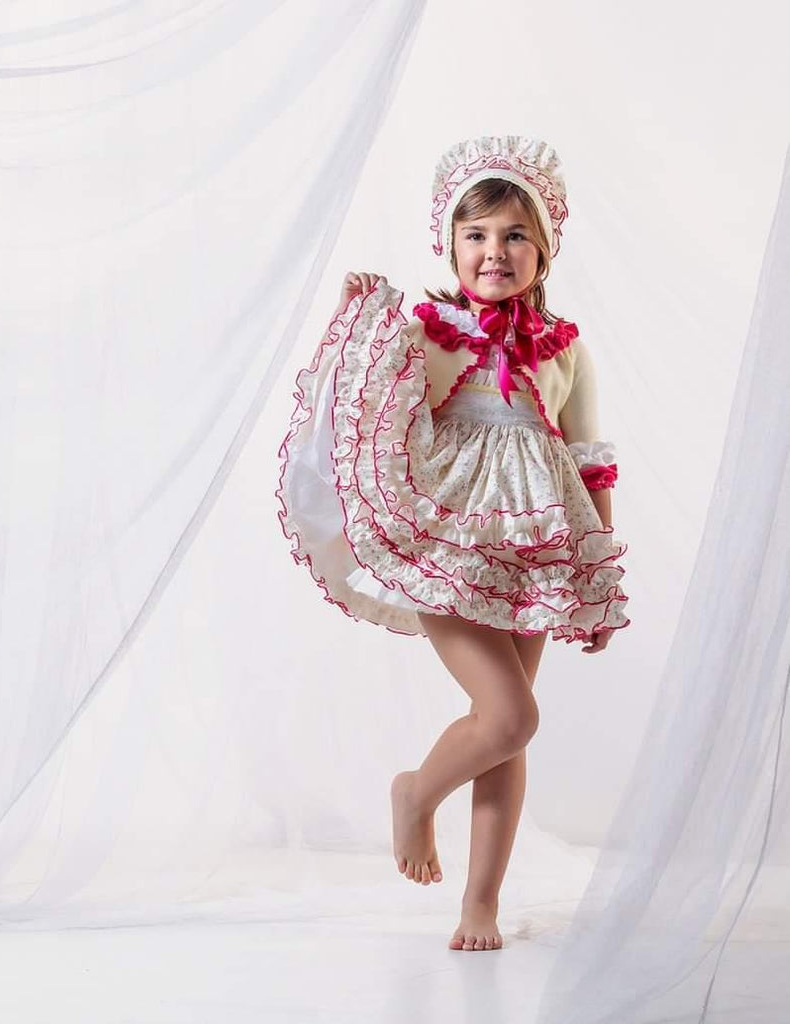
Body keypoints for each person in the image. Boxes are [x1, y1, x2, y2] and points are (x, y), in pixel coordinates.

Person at [276, 134, 631, 952]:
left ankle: (481, 903)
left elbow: (588, 460)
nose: (494, 251)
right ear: (450, 244)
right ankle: (415, 793)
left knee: (508, 729)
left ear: (544, 249)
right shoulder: (429, 335)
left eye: (515, 235)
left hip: (536, 547)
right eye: (476, 235)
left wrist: (598, 579)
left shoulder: (567, 350)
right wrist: (351, 320)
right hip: (446, 541)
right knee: (510, 715)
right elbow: (362, 398)